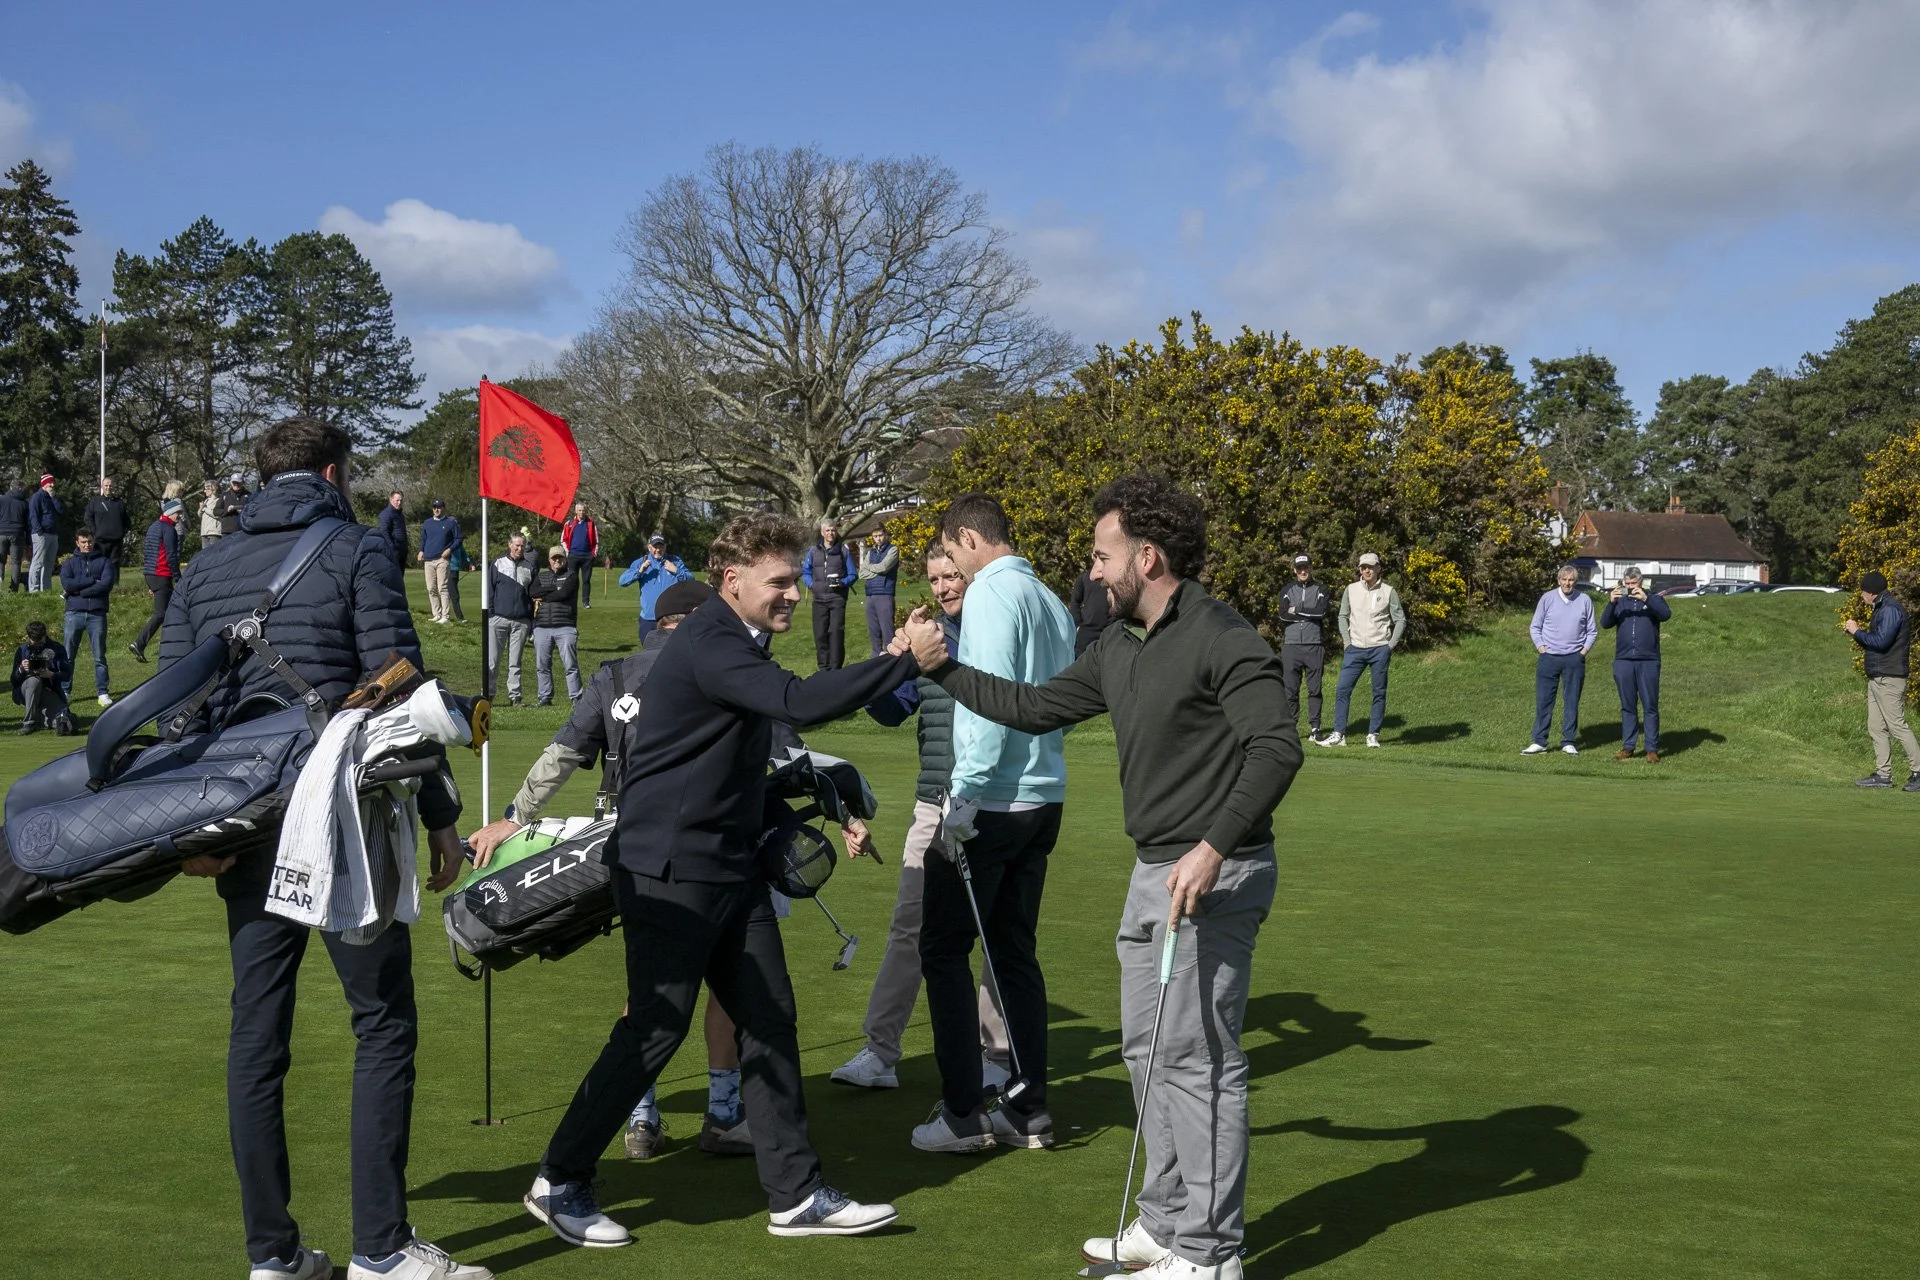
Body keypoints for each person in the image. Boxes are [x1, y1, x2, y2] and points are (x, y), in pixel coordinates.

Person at [895, 473, 1302, 1280]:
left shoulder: (1223, 635)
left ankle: (1212, 1254)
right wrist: (941, 671)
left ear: (1145, 557)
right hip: (1155, 869)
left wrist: (1213, 846)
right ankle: (1165, 1223)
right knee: (1149, 1053)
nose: (1091, 571)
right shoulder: (1117, 646)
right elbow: (1032, 706)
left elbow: (1276, 748)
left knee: (1198, 1062)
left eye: (1100, 555)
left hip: (1215, 873)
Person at [524, 511, 919, 1250]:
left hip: (728, 868)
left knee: (768, 1020)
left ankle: (796, 1195)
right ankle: (560, 1179)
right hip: (669, 869)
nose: (794, 594)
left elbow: (758, 752)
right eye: (779, 581)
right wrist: (905, 661)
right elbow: (802, 703)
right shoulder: (713, 639)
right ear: (730, 581)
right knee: (655, 1026)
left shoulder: (738, 641)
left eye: (798, 580)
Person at [158, 416, 487, 1280]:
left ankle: (272, 1256)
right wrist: (442, 812)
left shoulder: (203, 566)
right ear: (334, 474)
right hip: (343, 812)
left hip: (240, 821)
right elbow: (402, 684)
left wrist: (184, 833)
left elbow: (173, 708)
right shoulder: (355, 546)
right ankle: (382, 1250)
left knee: (256, 1035)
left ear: (260, 479)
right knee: (382, 1023)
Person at [468, 580, 826, 1160]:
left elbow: (562, 754)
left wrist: (514, 816)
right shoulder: (730, 662)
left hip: (631, 852)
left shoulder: (613, 675)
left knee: (651, 991)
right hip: (719, 852)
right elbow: (785, 759)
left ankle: (642, 1120)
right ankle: (725, 1111)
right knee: (733, 992)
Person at [907, 492, 1074, 1154]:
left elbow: (992, 699)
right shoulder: (1048, 597)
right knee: (1011, 952)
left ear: (969, 541)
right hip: (1043, 797)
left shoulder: (991, 596)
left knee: (943, 950)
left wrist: (966, 796)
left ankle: (962, 1113)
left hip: (994, 801)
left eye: (952, 555)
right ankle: (1029, 1111)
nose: (953, 570)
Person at [833, 544, 1012, 1094]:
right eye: (934, 579)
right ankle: (881, 1052)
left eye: (951, 576)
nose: (941, 588)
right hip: (933, 803)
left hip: (998, 804)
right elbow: (890, 712)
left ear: (974, 575)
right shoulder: (926, 638)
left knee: (995, 932)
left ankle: (997, 1055)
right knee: (910, 926)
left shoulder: (999, 633)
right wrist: (890, 664)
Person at [1844, 570, 1920, 790]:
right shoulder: (1882, 608)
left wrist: (1857, 631)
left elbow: (1881, 642)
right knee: (1876, 726)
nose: (1861, 596)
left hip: (1890, 677)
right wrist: (1856, 634)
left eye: (1863, 592)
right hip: (1878, 677)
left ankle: (1918, 771)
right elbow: (1875, 643)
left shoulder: (1890, 610)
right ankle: (1883, 775)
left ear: (1872, 593)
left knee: (1897, 726)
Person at [1324, 552, 1405, 748]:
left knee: (1378, 692)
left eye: (1370, 566)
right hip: (1355, 649)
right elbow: (1343, 616)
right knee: (1342, 689)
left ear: (1378, 568)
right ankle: (1338, 735)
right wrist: (1347, 642)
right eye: (1363, 567)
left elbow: (1400, 619)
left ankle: (1372, 735)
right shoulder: (1351, 589)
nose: (1366, 570)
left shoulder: (1388, 591)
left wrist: (1390, 645)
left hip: (1379, 649)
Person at [1524, 565, 1597, 756]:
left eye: (1571, 580)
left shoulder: (1585, 600)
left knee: (1571, 700)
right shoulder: (1547, 599)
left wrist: (1583, 651)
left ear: (1575, 581)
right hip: (1549, 657)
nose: (1567, 583)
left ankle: (1568, 741)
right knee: (1544, 700)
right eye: (1564, 580)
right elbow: (1535, 626)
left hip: (1574, 658)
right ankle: (1540, 741)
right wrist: (1541, 647)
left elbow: (1592, 630)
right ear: (1558, 581)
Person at [1601, 568, 1670, 763]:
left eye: (1634, 584)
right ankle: (1628, 747)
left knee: (1650, 705)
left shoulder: (1654, 599)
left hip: (1648, 660)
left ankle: (1651, 748)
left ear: (1640, 583)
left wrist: (1646, 599)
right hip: (1623, 660)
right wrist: (1611, 602)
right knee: (1628, 705)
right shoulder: (1620, 602)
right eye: (1627, 584)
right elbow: (1605, 623)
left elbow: (1666, 615)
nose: (1630, 588)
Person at [1277, 553, 1331, 744]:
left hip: (1314, 645)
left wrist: (1297, 610)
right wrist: (1308, 613)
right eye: (1299, 568)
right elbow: (1283, 615)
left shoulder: (1321, 588)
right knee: (1290, 690)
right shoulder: (1287, 589)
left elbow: (1321, 611)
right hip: (1291, 646)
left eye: (1306, 567)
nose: (1303, 571)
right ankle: (1291, 729)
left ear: (1310, 568)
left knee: (1314, 690)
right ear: (1294, 570)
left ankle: (1315, 729)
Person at [58, 526, 115, 708]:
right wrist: (91, 582)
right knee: (68, 655)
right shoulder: (69, 563)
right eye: (83, 542)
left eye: (90, 541)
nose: (87, 545)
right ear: (77, 543)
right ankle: (65, 690)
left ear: (93, 541)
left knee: (99, 656)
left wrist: (79, 591)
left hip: (96, 614)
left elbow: (106, 584)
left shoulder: (104, 562)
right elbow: (67, 583)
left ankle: (103, 692)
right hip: (73, 613)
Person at [127, 497, 184, 664]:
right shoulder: (168, 529)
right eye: (178, 513)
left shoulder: (154, 526)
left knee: (169, 611)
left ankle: (170, 646)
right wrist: (178, 578)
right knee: (162, 613)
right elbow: (171, 556)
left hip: (150, 574)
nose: (179, 516)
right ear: (171, 513)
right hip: (162, 574)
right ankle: (139, 642)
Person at [530, 545, 582, 706]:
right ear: (549, 560)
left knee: (570, 665)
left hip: (565, 626)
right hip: (542, 626)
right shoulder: (541, 576)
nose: (557, 560)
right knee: (542, 665)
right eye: (554, 558)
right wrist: (553, 588)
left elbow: (564, 593)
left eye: (560, 557)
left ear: (565, 559)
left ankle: (576, 698)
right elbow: (532, 592)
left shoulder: (571, 576)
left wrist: (544, 595)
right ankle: (545, 698)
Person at [487, 533, 534, 707]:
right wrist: (491, 614)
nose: (519, 548)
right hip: (498, 619)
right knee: (492, 660)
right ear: (509, 544)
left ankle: (515, 697)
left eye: (522, 546)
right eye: (516, 545)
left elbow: (532, 596)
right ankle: (489, 695)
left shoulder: (529, 567)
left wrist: (530, 619)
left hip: (520, 621)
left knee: (515, 662)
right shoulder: (498, 564)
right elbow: (489, 590)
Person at [619, 533, 692, 641]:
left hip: (670, 618)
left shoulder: (675, 561)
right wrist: (639, 572)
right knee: (648, 652)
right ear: (649, 547)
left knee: (670, 653)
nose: (657, 550)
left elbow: (691, 580)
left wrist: (676, 571)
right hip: (648, 618)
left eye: (660, 546)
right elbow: (622, 581)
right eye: (655, 547)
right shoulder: (641, 562)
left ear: (665, 547)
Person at [803, 517, 852, 670]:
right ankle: (823, 668)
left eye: (833, 530)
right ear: (822, 533)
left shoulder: (843, 551)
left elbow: (853, 574)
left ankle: (836, 667)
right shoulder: (813, 551)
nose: (831, 533)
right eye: (828, 531)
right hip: (818, 599)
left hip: (837, 599)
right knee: (820, 635)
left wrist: (842, 583)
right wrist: (812, 585)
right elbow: (805, 572)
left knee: (836, 633)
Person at [12, 619, 73, 734]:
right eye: (34, 641)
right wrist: (21, 669)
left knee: (62, 716)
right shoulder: (22, 650)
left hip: (48, 689)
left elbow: (67, 674)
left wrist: (52, 675)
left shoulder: (57, 648)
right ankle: (29, 723)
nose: (37, 643)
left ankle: (43, 719)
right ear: (28, 637)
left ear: (45, 635)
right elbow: (14, 681)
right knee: (34, 681)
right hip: (27, 689)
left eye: (40, 640)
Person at [858, 527, 900, 657]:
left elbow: (884, 567)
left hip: (884, 593)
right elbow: (861, 573)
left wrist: (869, 568)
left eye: (880, 535)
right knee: (874, 631)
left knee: (887, 631)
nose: (878, 538)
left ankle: (890, 659)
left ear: (886, 535)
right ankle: (875, 658)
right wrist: (876, 571)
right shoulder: (870, 553)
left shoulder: (892, 549)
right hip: (870, 594)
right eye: (875, 536)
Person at [417, 498, 460, 624]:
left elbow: (458, 538)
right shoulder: (427, 523)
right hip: (428, 559)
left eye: (439, 507)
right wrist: (421, 551)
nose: (437, 509)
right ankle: (436, 614)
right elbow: (423, 539)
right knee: (431, 588)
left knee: (443, 587)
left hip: (443, 558)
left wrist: (450, 549)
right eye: (435, 507)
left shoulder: (450, 523)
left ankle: (445, 616)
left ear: (443, 508)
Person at [1068, 566, 1120, 657]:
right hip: (1086, 633)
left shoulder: (1114, 578)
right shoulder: (1085, 577)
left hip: (1109, 632)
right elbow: (1075, 601)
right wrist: (1078, 624)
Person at [560, 501, 598, 609]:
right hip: (573, 556)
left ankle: (586, 602)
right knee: (572, 580)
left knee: (586, 580)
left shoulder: (591, 523)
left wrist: (593, 554)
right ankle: (571, 601)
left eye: (583, 510)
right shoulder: (569, 523)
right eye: (579, 510)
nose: (581, 512)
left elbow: (596, 540)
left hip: (587, 557)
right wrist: (568, 552)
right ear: (576, 511)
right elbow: (563, 539)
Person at [85, 476, 130, 565]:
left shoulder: (119, 503)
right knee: (100, 564)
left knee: (114, 565)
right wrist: (95, 532)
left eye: (110, 485)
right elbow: (88, 518)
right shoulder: (95, 502)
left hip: (116, 542)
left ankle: (114, 580)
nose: (108, 487)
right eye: (106, 485)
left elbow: (126, 521)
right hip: (100, 541)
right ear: (102, 487)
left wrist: (121, 533)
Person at [27, 472, 60, 593]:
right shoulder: (36, 497)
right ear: (44, 484)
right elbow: (33, 516)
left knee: (49, 564)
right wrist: (39, 530)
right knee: (38, 562)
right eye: (50, 483)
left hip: (53, 534)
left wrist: (54, 498)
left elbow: (60, 510)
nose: (52, 485)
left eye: (53, 482)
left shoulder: (52, 497)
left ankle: (46, 589)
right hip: (41, 534)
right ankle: (33, 589)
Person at [0, 479, 29, 591]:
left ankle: (0, 578)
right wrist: (28, 539)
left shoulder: (1, 499)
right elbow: (27, 522)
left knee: (1, 559)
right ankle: (14, 589)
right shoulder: (24, 503)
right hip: (18, 534)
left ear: (11, 487)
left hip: (1, 532)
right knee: (16, 563)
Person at [378, 491, 408, 571]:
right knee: (392, 578)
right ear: (391, 500)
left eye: (401, 500)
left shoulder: (400, 515)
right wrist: (393, 549)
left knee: (400, 579)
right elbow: (384, 532)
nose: (399, 502)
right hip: (392, 552)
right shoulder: (386, 514)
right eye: (397, 500)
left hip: (402, 552)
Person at [200, 479, 227, 549]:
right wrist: (201, 508)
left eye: (206, 489)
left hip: (214, 532)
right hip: (204, 532)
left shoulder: (219, 500)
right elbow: (199, 515)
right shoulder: (206, 500)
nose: (204, 491)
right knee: (204, 555)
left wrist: (205, 509)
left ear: (213, 489)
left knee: (214, 554)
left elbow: (217, 514)